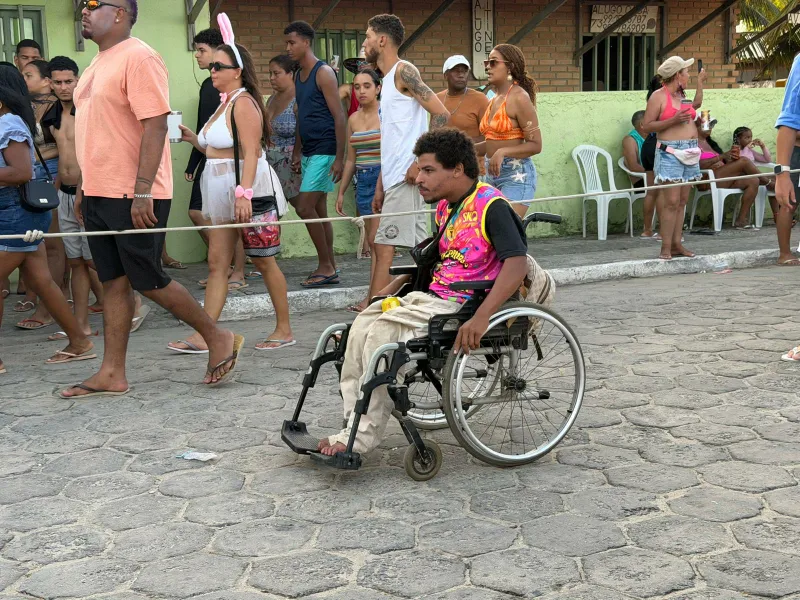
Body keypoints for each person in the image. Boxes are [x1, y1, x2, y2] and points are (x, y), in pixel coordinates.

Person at [61, 0, 242, 398]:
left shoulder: (140, 56)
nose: (86, 10)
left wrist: (143, 189)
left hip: (134, 192)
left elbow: (156, 124)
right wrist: (84, 187)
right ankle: (112, 372)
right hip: (99, 191)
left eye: (94, 4)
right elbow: (98, 133)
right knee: (112, 281)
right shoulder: (95, 64)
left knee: (149, 279)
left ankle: (217, 335)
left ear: (121, 13)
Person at [318, 128, 529, 456]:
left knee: (382, 336)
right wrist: (389, 291)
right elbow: (437, 262)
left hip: (465, 302)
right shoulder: (447, 207)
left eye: (428, 170)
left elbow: (517, 265)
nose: (418, 178)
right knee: (360, 328)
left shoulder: (492, 206)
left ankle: (360, 438)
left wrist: (482, 318)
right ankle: (352, 424)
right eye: (420, 169)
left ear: (457, 169)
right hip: (432, 297)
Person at [171, 21, 293, 353]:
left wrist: (245, 193)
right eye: (212, 66)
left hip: (248, 189)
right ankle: (205, 333)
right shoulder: (224, 102)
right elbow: (217, 149)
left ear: (237, 70)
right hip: (221, 187)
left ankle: (284, 328)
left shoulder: (243, 103)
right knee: (217, 262)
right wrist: (191, 138)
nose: (212, 70)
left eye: (218, 66)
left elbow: (252, 151)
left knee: (264, 260)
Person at [0, 82, 96, 375]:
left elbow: (21, 172)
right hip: (13, 213)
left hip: (15, 214)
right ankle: (79, 342)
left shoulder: (8, 124)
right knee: (42, 281)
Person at [365, 13, 450, 300]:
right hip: (394, 179)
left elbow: (441, 113)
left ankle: (372, 307)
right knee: (420, 249)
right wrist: (380, 186)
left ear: (382, 39)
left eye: (367, 36)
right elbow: (392, 140)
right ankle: (420, 297)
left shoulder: (404, 71)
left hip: (407, 175)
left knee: (384, 245)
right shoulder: (386, 81)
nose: (364, 43)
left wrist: (420, 162)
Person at [39, 56, 102, 341]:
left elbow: (94, 156)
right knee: (76, 261)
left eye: (69, 81)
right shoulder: (51, 116)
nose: (64, 87)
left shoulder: (88, 111)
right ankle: (81, 327)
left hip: (87, 194)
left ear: (78, 80)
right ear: (50, 83)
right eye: (58, 82)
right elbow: (63, 153)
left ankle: (131, 307)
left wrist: (82, 191)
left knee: (95, 261)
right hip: (63, 194)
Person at [184, 27, 246, 289]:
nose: (197, 56)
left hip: (227, 165)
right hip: (208, 160)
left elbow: (240, 142)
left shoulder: (233, 95)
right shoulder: (209, 87)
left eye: (202, 51)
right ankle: (224, 268)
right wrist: (194, 161)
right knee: (203, 215)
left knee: (228, 219)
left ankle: (238, 271)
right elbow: (204, 129)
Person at [284, 20, 345, 288]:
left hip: (325, 150)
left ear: (306, 42)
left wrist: (341, 158)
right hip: (309, 151)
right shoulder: (298, 76)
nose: (288, 48)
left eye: (292, 42)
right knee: (318, 209)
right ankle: (330, 263)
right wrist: (297, 151)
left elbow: (339, 116)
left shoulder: (324, 73)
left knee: (304, 206)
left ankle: (325, 265)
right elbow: (302, 116)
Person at [16, 59, 69, 331]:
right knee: (39, 241)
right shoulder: (28, 106)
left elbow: (64, 147)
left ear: (46, 80)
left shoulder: (57, 108)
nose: (24, 79)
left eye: (29, 75)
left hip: (52, 175)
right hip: (36, 174)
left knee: (52, 243)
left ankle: (48, 308)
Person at [642, 56, 705, 260]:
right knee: (671, 201)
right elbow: (647, 125)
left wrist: (700, 83)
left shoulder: (682, 96)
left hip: (690, 151)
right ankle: (665, 247)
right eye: (686, 73)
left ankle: (677, 244)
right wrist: (673, 120)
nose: (688, 75)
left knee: (682, 201)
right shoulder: (658, 96)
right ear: (677, 75)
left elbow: (696, 104)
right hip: (670, 152)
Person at [335, 68, 381, 312]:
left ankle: (372, 298)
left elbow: (392, 153)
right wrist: (342, 191)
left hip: (381, 178)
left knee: (376, 241)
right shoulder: (353, 118)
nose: (361, 91)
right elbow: (351, 159)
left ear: (378, 88)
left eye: (366, 86)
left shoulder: (386, 113)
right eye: (357, 86)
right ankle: (375, 295)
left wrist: (381, 186)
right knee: (373, 243)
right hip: (362, 181)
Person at [477, 44, 542, 218]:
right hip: (492, 174)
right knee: (489, 234)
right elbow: (492, 141)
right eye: (486, 62)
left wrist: (502, 152)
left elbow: (536, 145)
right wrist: (465, 149)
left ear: (510, 67)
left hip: (515, 175)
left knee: (505, 231)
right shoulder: (494, 98)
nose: (487, 67)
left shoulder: (519, 98)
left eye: (493, 63)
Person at [696, 119, 762, 229]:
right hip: (707, 179)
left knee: (753, 180)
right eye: (707, 125)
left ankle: (741, 220)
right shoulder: (692, 143)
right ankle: (769, 183)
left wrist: (730, 161)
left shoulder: (711, 143)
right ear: (696, 126)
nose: (710, 128)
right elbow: (696, 165)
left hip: (722, 177)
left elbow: (723, 162)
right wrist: (720, 157)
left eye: (712, 125)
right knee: (744, 160)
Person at [436, 55, 489, 173]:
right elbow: (434, 132)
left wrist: (457, 144)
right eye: (456, 71)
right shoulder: (437, 99)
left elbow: (490, 137)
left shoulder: (480, 99)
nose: (461, 75)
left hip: (472, 169)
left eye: (464, 71)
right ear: (445, 75)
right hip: (445, 169)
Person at [266, 55, 301, 206]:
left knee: (304, 208)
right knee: (273, 211)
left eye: (276, 73)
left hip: (292, 163)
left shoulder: (299, 98)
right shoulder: (271, 99)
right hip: (270, 164)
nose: (272, 78)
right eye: (270, 73)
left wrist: (297, 154)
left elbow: (304, 131)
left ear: (290, 74)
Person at [623, 110, 657, 238]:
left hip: (653, 175)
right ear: (643, 124)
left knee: (674, 187)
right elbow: (633, 166)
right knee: (664, 189)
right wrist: (651, 172)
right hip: (641, 180)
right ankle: (648, 229)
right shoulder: (630, 140)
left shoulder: (653, 137)